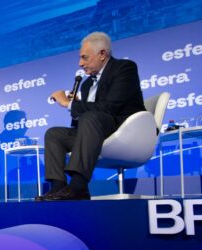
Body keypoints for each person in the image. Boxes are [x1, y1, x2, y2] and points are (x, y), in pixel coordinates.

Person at [38, 32, 145, 201]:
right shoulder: (87, 83)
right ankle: (58, 187)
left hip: (123, 130)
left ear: (102, 54)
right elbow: (82, 122)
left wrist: (69, 104)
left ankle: (78, 185)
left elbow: (110, 107)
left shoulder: (124, 68)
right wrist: (78, 105)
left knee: (91, 117)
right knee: (54, 134)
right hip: (95, 132)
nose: (80, 63)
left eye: (85, 58)